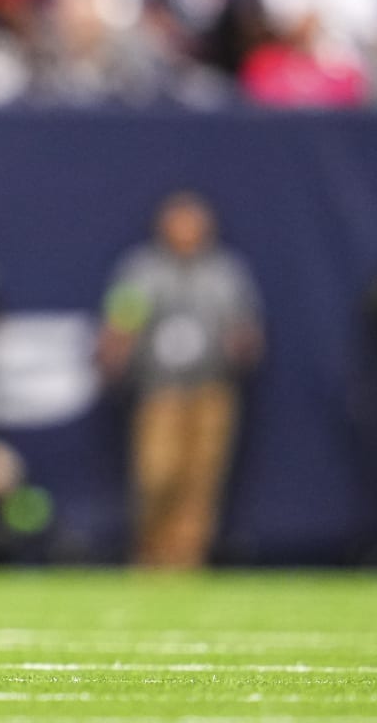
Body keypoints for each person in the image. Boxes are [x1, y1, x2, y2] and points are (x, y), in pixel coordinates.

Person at [98, 191, 264, 568]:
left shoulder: (225, 272)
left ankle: (186, 560)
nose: (187, 232)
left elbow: (245, 324)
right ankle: (151, 554)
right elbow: (123, 318)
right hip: (161, 389)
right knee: (158, 474)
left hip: (211, 388)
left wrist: (243, 345)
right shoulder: (143, 270)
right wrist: (114, 351)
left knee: (201, 480)